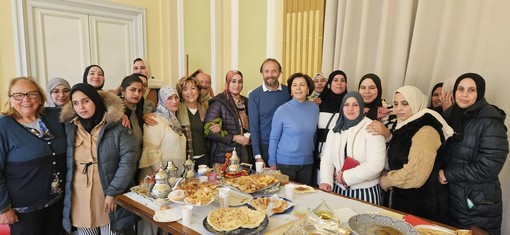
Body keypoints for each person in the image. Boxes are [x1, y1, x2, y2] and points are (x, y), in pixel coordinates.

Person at [60, 83, 139, 234]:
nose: (81, 107)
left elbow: (128, 162)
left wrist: (113, 193)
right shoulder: (70, 126)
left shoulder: (117, 126)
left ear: (95, 100)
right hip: (80, 197)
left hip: (108, 194)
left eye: (86, 101)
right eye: (75, 103)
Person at [439, 73, 508, 234]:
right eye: (460, 89)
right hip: (453, 196)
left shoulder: (490, 121)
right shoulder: (451, 116)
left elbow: (488, 168)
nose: (464, 95)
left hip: (475, 203)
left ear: (480, 93)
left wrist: (448, 174)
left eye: (471, 90)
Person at [0, 77, 67, 235]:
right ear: (10, 99)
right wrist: (3, 208)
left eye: (31, 94)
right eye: (18, 95)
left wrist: (121, 114)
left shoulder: (55, 116)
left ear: (41, 97)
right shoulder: (3, 127)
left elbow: (89, 108)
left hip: (58, 203)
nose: (26, 100)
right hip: (24, 211)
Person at [379, 86, 453, 224]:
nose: (398, 109)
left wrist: (387, 180)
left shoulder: (426, 130)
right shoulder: (406, 126)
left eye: (405, 103)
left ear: (416, 102)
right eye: (395, 104)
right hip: (406, 203)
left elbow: (415, 175)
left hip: (421, 206)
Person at [319, 92, 386, 204]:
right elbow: (327, 158)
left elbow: (376, 164)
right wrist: (326, 181)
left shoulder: (371, 127)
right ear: (342, 107)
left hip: (365, 192)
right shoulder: (336, 129)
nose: (350, 109)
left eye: (355, 105)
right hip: (338, 190)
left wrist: (345, 177)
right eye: (346, 105)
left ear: (361, 107)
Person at [137, 86, 186, 235]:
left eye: (176, 97)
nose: (174, 101)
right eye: (169, 98)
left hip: (173, 179)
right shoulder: (155, 119)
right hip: (156, 180)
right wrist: (161, 177)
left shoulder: (174, 121)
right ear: (162, 100)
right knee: (152, 222)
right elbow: (151, 151)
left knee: (168, 220)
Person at [268, 73, 319, 186]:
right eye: (294, 85)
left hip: (307, 163)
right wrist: (272, 162)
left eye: (302, 85)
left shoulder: (315, 109)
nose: (298, 88)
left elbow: (315, 136)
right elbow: (274, 138)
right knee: (287, 199)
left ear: (308, 89)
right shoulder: (282, 110)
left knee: (304, 198)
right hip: (285, 163)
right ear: (291, 90)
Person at [248, 58, 291, 166]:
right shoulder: (254, 95)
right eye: (266, 71)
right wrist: (257, 156)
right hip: (264, 148)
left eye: (274, 71)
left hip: (286, 146)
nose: (270, 74)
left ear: (280, 72)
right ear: (262, 73)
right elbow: (254, 127)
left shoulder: (289, 92)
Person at [205, 70, 251, 171]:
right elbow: (209, 131)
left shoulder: (247, 101)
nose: (237, 85)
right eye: (233, 81)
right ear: (227, 83)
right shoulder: (218, 102)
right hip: (224, 157)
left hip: (245, 155)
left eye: (240, 81)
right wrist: (234, 137)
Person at [313, 70, 348, 186]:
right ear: (330, 84)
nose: (339, 83)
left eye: (342, 81)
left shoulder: (350, 105)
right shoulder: (318, 104)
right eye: (336, 80)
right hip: (322, 155)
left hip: (342, 156)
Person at [176, 76, 209, 169]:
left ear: (198, 91)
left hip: (204, 159)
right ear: (181, 93)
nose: (190, 92)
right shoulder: (176, 110)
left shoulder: (205, 108)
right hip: (185, 161)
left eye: (193, 88)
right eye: (185, 89)